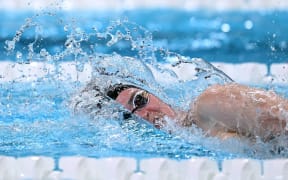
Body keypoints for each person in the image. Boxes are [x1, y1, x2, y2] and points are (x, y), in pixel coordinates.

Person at [106, 82, 288, 142]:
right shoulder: (197, 136)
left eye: (139, 100)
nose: (142, 115)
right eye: (129, 117)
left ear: (154, 92)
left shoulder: (208, 104)